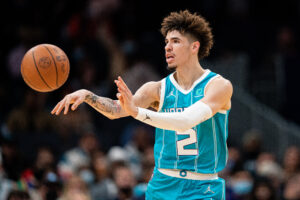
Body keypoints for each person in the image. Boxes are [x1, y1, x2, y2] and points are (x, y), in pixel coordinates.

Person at [52, 10, 233, 200]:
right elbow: (117, 110)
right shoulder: (156, 89)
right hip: (163, 183)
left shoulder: (218, 86)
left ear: (194, 46)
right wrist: (88, 96)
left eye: (176, 41)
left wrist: (138, 113)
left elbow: (186, 120)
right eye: (166, 42)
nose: (168, 47)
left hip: (202, 187)